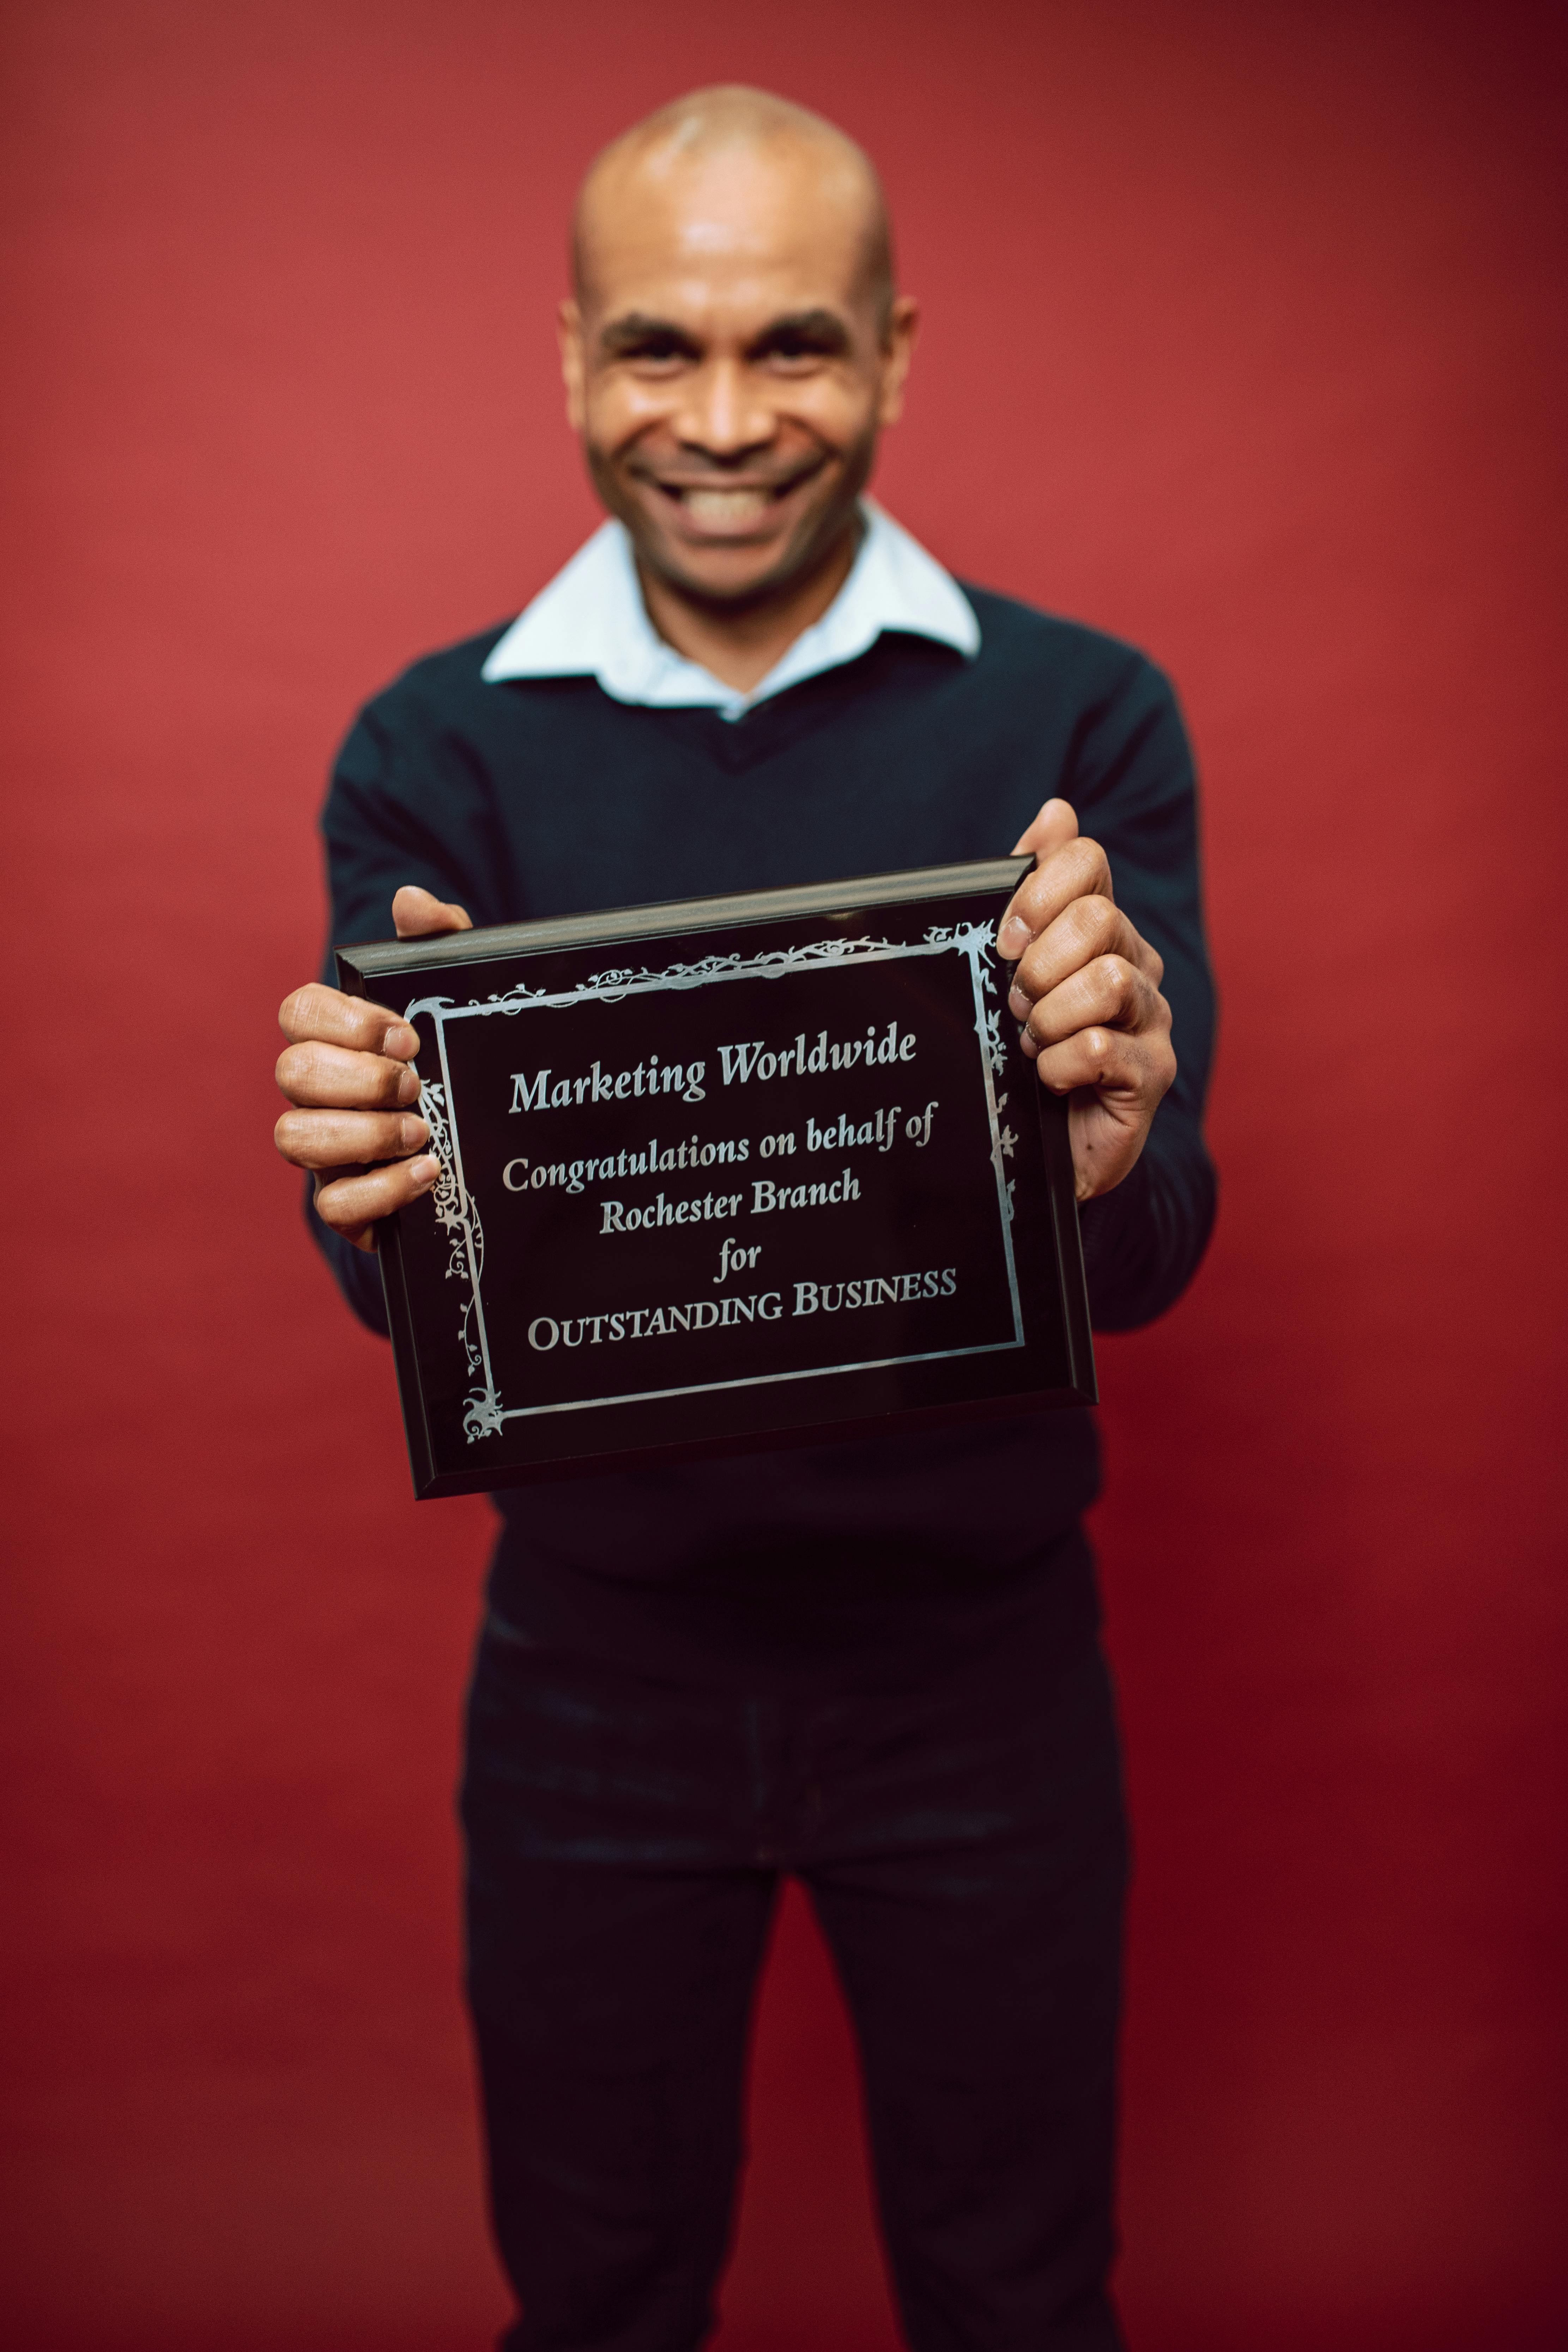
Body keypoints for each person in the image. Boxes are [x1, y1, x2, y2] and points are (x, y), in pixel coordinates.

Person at [273, 85, 1215, 2352]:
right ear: (572, 359)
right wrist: (364, 1188)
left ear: (896, 350)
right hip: (597, 1676)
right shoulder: (433, 749)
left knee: (1020, 2299)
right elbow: (415, 1278)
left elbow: (1163, 1238)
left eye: (791, 347)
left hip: (980, 1671)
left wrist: (1100, 1148)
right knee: (597, 2304)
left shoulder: (1086, 720)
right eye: (655, 350)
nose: (719, 420)